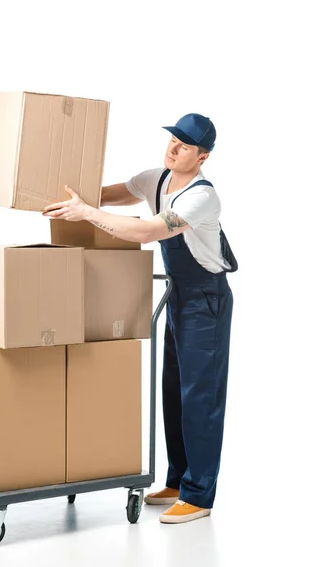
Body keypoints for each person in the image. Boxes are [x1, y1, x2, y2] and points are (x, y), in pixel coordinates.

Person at [43, 113, 237, 525]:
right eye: (172, 139)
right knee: (173, 392)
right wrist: (66, 195)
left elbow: (146, 232)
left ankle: (200, 495)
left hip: (205, 300)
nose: (173, 148)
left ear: (202, 156)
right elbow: (107, 195)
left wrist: (86, 213)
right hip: (178, 295)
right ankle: (178, 480)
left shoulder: (201, 197)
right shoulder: (157, 178)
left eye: (184, 145)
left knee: (200, 398)